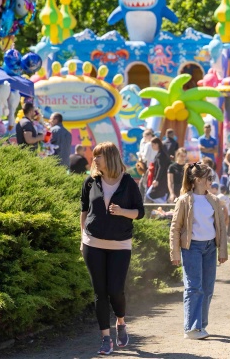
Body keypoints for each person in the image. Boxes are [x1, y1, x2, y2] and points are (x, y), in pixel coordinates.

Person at [79, 142, 145, 354]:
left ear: (111, 158)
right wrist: (82, 237)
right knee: (100, 292)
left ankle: (121, 322)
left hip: (120, 244)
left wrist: (122, 211)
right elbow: (83, 210)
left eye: (99, 156)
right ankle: (105, 338)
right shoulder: (90, 182)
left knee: (115, 290)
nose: (95, 159)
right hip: (93, 243)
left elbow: (139, 212)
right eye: (94, 156)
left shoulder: (128, 182)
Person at [169, 162, 228, 340]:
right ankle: (191, 328)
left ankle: (200, 325)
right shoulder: (184, 200)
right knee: (194, 288)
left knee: (208, 288)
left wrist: (223, 251)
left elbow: (221, 228)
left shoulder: (215, 200)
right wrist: (175, 253)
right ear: (197, 180)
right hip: (191, 247)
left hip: (210, 248)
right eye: (209, 178)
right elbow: (175, 228)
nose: (211, 181)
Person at [146, 138, 171, 203]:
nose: (152, 147)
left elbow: (161, 167)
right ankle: (164, 204)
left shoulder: (160, 155)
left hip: (161, 179)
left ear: (157, 144)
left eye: (153, 145)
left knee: (150, 194)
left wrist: (157, 179)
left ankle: (164, 204)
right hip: (163, 179)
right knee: (159, 195)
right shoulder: (162, 153)